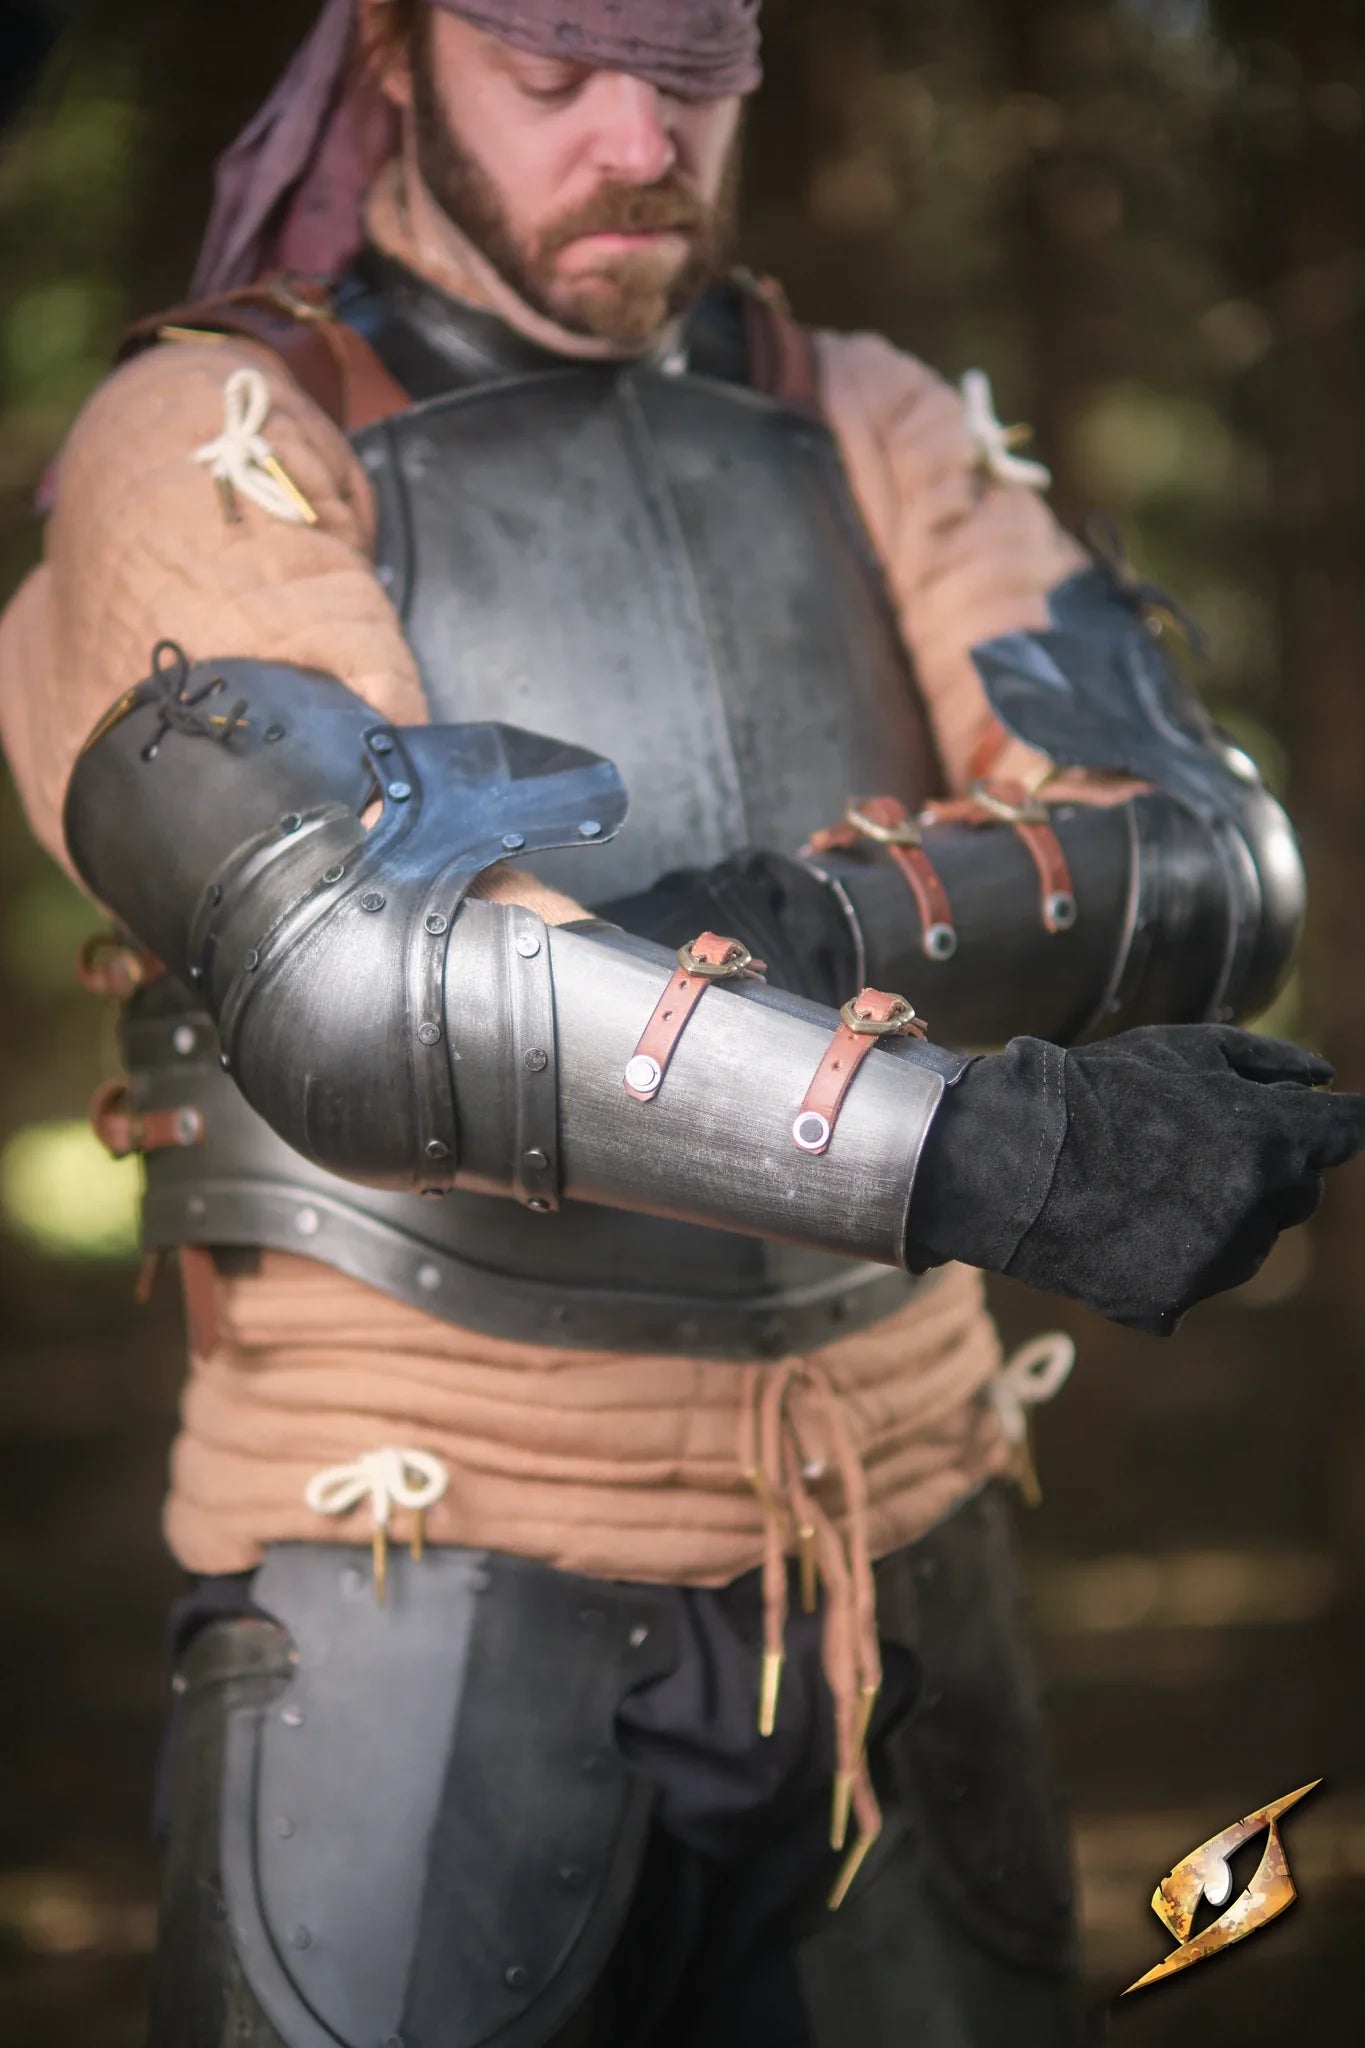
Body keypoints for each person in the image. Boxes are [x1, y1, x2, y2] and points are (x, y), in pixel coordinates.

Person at [1, 3, 1360, 2042]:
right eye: (552, 74)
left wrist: (765, 922)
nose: (640, 140)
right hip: (424, 1568)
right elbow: (365, 983)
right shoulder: (218, 441)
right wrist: (976, 1142)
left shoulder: (870, 412)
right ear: (394, 55)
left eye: (693, 70)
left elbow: (1201, 850)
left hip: (897, 1558)